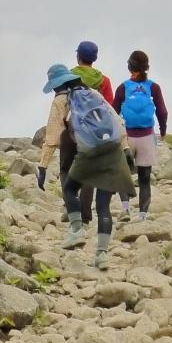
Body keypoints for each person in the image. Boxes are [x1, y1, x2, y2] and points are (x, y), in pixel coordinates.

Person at [37, 63, 134, 269]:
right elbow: (117, 121)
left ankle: (77, 230)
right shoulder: (93, 93)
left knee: (70, 188)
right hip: (111, 151)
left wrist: (43, 166)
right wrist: (126, 148)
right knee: (103, 207)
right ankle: (102, 255)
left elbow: (52, 137)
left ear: (57, 85)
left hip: (88, 153)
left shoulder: (60, 100)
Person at [113, 50, 168, 221]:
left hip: (127, 137)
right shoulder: (153, 87)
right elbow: (162, 112)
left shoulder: (123, 87)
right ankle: (143, 215)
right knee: (144, 178)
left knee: (123, 174)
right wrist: (163, 130)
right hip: (146, 137)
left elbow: (113, 112)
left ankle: (125, 209)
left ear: (129, 67)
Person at [65, 40, 114, 223]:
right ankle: (85, 213)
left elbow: (63, 102)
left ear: (78, 56)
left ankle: (72, 207)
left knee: (68, 167)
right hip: (95, 128)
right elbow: (110, 106)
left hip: (73, 127)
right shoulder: (104, 80)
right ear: (95, 59)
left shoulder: (68, 77)